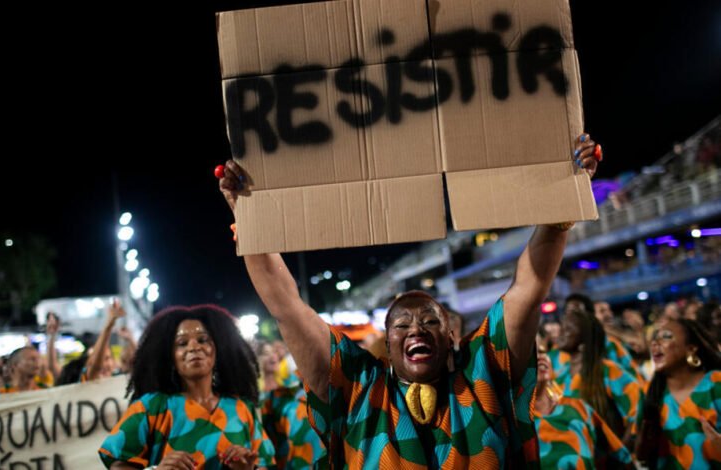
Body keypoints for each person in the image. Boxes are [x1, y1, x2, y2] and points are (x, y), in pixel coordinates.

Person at [218, 133, 601, 467]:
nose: (416, 328)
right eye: (401, 324)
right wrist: (250, 218)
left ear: (452, 337)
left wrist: (562, 200)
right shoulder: (358, 388)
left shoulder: (484, 373)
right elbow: (288, 307)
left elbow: (527, 291)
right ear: (388, 343)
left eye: (430, 321)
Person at [99, 304, 275, 469]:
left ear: (218, 349)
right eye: (182, 343)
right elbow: (118, 464)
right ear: (170, 357)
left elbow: (264, 463)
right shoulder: (150, 407)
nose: (194, 347)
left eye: (203, 340)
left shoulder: (243, 409)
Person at [636, 319, 721, 468]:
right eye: (655, 338)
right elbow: (641, 455)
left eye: (666, 336)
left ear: (691, 349)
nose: (655, 343)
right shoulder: (651, 393)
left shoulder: (716, 383)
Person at [552, 308, 643, 446]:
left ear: (584, 341)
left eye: (568, 329)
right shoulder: (559, 377)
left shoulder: (607, 370)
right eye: (562, 327)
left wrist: (621, 455)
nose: (561, 332)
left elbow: (638, 413)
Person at [534, 346, 633, 469]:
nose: (539, 357)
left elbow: (621, 459)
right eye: (528, 353)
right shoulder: (510, 423)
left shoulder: (578, 408)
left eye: (542, 352)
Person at [257, 342, 326, 469]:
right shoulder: (258, 397)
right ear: (257, 359)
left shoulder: (292, 382)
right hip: (289, 456)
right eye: (266, 354)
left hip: (317, 447)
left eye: (273, 352)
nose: (273, 356)